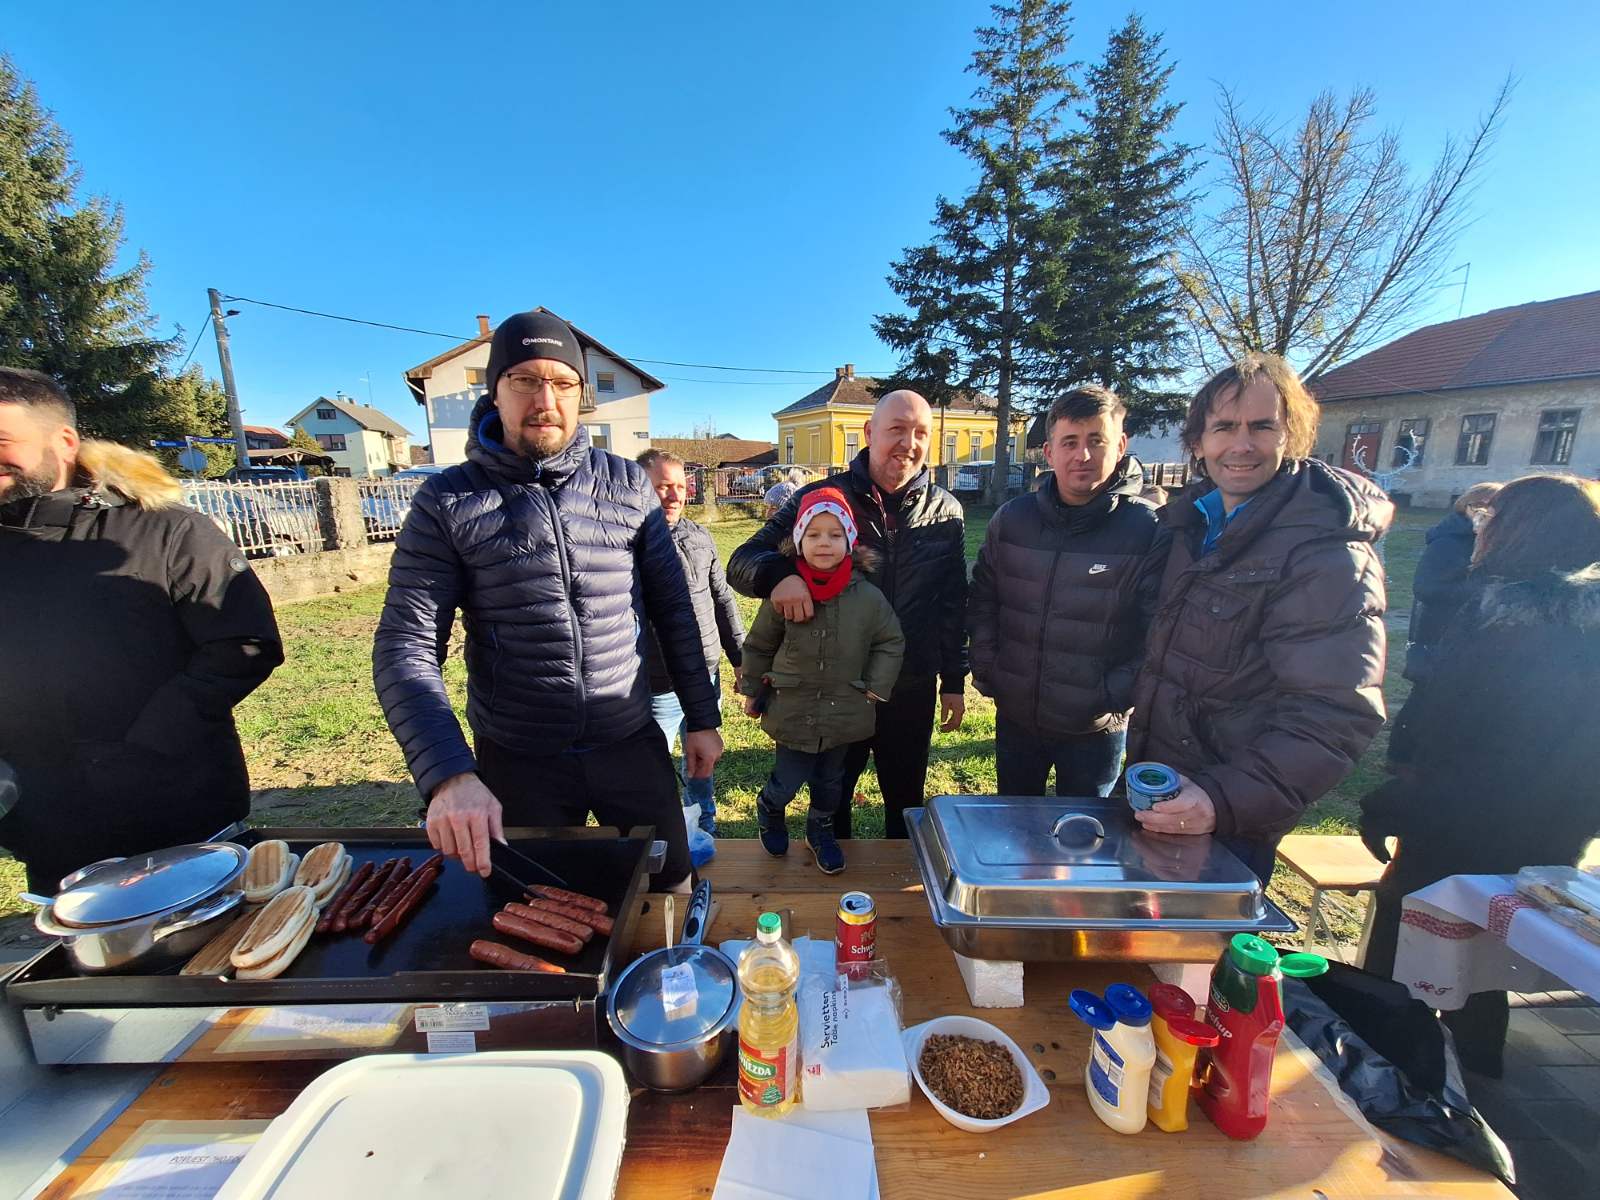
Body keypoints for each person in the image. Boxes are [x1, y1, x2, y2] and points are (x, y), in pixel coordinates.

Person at [373, 311, 723, 888]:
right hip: (518, 754)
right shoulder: (447, 500)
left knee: (668, 888)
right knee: (529, 911)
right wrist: (447, 774)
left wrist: (701, 717)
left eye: (563, 384)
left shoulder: (626, 484)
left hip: (628, 738)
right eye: (525, 380)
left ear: (581, 395)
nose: (546, 400)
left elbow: (673, 610)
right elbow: (406, 646)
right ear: (495, 390)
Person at [0, 367, 283, 893]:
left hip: (174, 800)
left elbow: (243, 643)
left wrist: (148, 742)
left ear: (63, 441)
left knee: (204, 949)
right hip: (44, 817)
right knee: (84, 959)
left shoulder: (165, 530)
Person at [1360, 475, 1600, 1076]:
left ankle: (1387, 1075)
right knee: (1480, 959)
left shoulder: (1514, 630)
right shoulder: (1568, 624)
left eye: (1492, 518)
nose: (1480, 528)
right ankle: (1475, 1067)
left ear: (1524, 531)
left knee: (1402, 951)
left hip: (1460, 828)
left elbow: (1485, 751)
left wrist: (1399, 802)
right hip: (1542, 835)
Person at [1126, 352, 1391, 881]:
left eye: (1261, 426)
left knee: (1208, 960)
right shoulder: (1191, 525)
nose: (1241, 445)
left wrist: (1221, 801)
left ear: (1290, 435)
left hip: (1230, 818)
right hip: (1163, 788)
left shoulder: (1324, 550)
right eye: (1224, 427)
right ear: (1198, 443)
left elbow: (1334, 714)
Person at [729, 390, 967, 839]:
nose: (908, 443)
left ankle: (900, 895)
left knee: (907, 804)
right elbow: (741, 560)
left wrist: (953, 681)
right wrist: (781, 575)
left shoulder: (947, 510)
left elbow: (953, 603)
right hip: (835, 688)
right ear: (869, 432)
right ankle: (833, 883)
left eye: (921, 433)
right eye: (896, 429)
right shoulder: (821, 497)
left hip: (910, 686)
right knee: (831, 800)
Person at [968, 386, 1162, 797]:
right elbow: (984, 597)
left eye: (1097, 441)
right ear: (1049, 451)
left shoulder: (1147, 530)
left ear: (1121, 445)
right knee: (1015, 835)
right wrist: (988, 667)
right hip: (1017, 717)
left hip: (1095, 728)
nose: (1083, 455)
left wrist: (1114, 695)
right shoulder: (1012, 519)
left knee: (1087, 841)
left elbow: (1159, 629)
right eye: (1070, 442)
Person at [737, 488, 904, 873]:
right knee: (788, 779)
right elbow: (760, 644)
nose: (824, 543)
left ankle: (820, 831)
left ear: (849, 540)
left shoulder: (867, 596)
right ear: (798, 541)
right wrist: (752, 691)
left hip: (844, 710)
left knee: (831, 783)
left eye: (834, 534)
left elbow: (889, 640)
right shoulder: (784, 591)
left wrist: (877, 686)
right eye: (813, 535)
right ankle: (770, 809)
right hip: (792, 708)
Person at [637, 449, 744, 835]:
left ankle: (703, 820)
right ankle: (659, 827)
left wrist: (739, 656)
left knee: (701, 757)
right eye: (663, 486)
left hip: (706, 673)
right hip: (657, 682)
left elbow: (722, 599)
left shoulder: (700, 536)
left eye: (681, 486)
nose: (674, 495)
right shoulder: (626, 544)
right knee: (651, 764)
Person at [1401, 481, 1502, 683]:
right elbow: (1426, 588)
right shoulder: (1450, 541)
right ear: (1471, 508)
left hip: (1470, 636)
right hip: (1441, 634)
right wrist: (1486, 591)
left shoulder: (1489, 540)